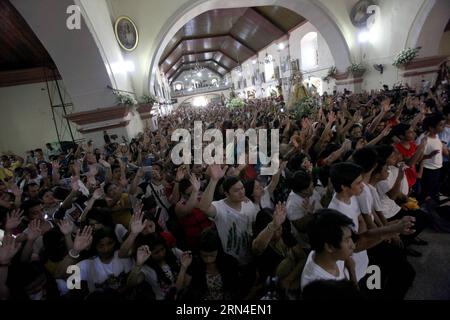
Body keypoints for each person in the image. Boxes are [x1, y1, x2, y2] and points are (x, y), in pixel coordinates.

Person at [183, 229, 239, 300]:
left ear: (218, 251)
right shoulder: (195, 263)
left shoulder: (229, 262)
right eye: (204, 256)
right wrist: (184, 267)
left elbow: (235, 286)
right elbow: (184, 286)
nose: (208, 260)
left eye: (212, 255)